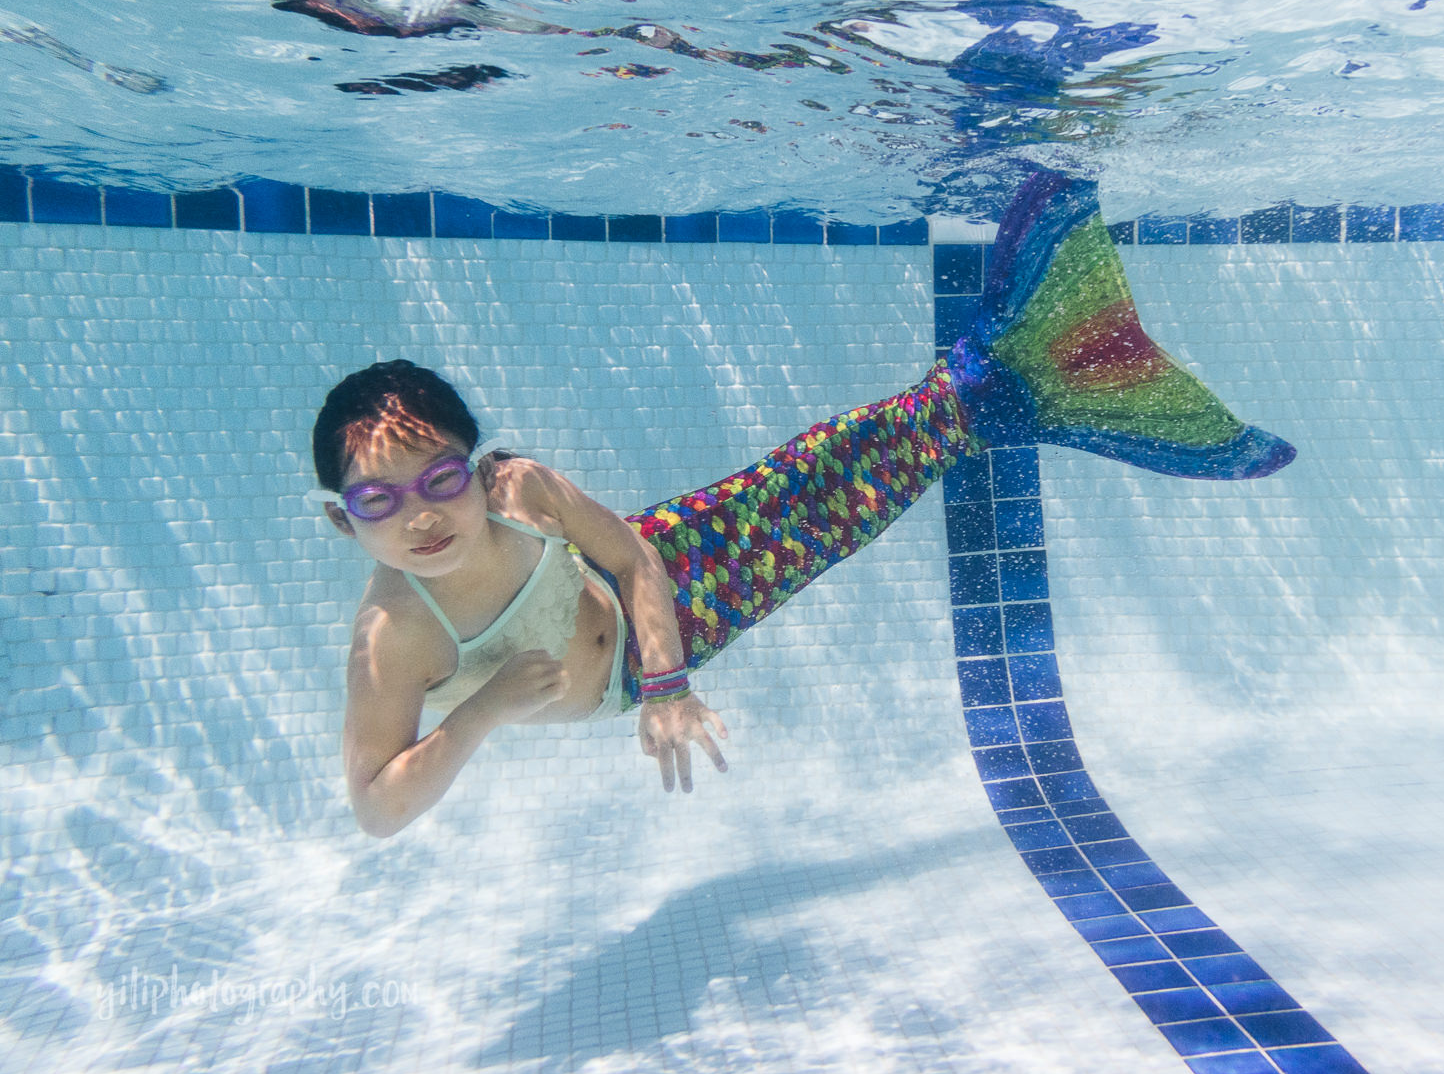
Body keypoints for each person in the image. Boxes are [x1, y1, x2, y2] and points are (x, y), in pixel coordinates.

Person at [310, 169, 1294, 838]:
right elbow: (375, 808)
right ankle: (1013, 381)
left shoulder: (517, 491)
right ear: (341, 519)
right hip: (645, 659)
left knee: (816, 475)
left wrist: (667, 685)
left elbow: (632, 561)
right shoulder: (396, 636)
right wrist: (479, 712)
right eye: (379, 500)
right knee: (838, 514)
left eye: (440, 478)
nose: (423, 515)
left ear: (473, 468)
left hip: (666, 585)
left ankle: (1009, 370)